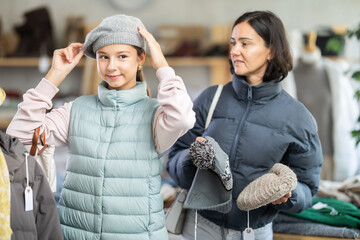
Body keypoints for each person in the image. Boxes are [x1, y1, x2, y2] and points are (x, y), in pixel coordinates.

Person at [6, 14, 195, 240]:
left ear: (141, 58)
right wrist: (54, 76)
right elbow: (19, 137)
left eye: (122, 56)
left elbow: (183, 118)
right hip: (72, 234)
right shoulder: (77, 109)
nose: (111, 66)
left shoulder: (156, 115)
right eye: (103, 57)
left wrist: (162, 66)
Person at [167, 10, 323, 240]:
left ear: (270, 50)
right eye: (233, 43)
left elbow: (308, 188)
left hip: (254, 232)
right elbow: (173, 160)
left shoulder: (298, 118)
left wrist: (288, 194)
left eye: (245, 43)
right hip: (199, 227)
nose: (234, 51)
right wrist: (192, 159)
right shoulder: (211, 99)